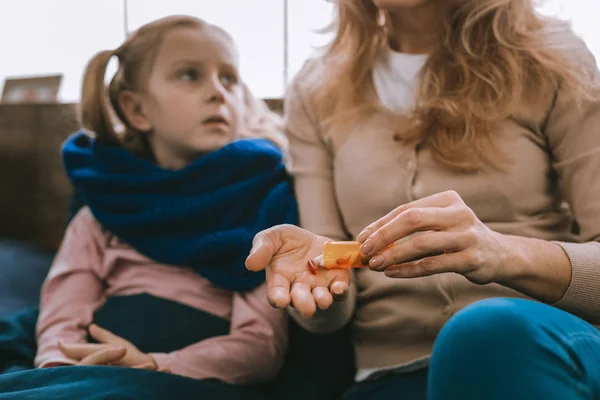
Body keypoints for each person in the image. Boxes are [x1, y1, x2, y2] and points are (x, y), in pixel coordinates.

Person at [245, 0, 600, 398]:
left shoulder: (553, 58)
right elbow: (329, 280)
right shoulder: (315, 88)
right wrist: (314, 283)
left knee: (489, 333)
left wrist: (504, 253)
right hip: (390, 377)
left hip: (548, 353)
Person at [34, 15, 297, 387]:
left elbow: (260, 345)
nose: (218, 92)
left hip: (190, 377)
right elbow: (61, 323)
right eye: (190, 75)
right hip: (93, 368)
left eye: (229, 78)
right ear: (137, 110)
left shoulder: (263, 205)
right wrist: (66, 368)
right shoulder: (103, 210)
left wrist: (157, 366)